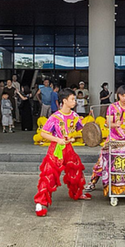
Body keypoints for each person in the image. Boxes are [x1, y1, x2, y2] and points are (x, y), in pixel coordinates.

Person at [34, 88, 92, 216]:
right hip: (56, 149)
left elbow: (82, 130)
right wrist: (57, 139)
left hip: (69, 148)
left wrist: (89, 123)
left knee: (76, 169)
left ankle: (77, 193)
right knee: (49, 175)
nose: (74, 101)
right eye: (72, 99)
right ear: (64, 101)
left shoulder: (75, 116)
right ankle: (40, 202)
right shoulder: (55, 117)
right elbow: (44, 133)